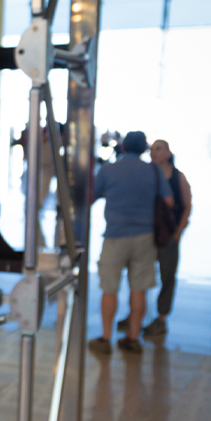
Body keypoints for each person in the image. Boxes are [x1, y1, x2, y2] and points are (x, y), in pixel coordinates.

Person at [88, 131, 173, 355]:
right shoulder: (154, 171)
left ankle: (106, 338)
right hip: (145, 237)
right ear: (144, 148)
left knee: (109, 288)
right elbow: (169, 200)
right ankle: (132, 338)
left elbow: (90, 197)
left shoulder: (108, 170)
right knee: (139, 289)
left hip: (115, 236)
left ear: (123, 147)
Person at [143, 139, 192, 337]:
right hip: (146, 233)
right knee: (141, 274)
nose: (154, 152)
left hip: (168, 234)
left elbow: (187, 205)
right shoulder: (146, 174)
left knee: (167, 276)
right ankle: (137, 313)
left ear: (168, 153)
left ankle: (161, 317)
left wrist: (179, 231)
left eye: (159, 149)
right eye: (152, 149)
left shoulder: (178, 177)